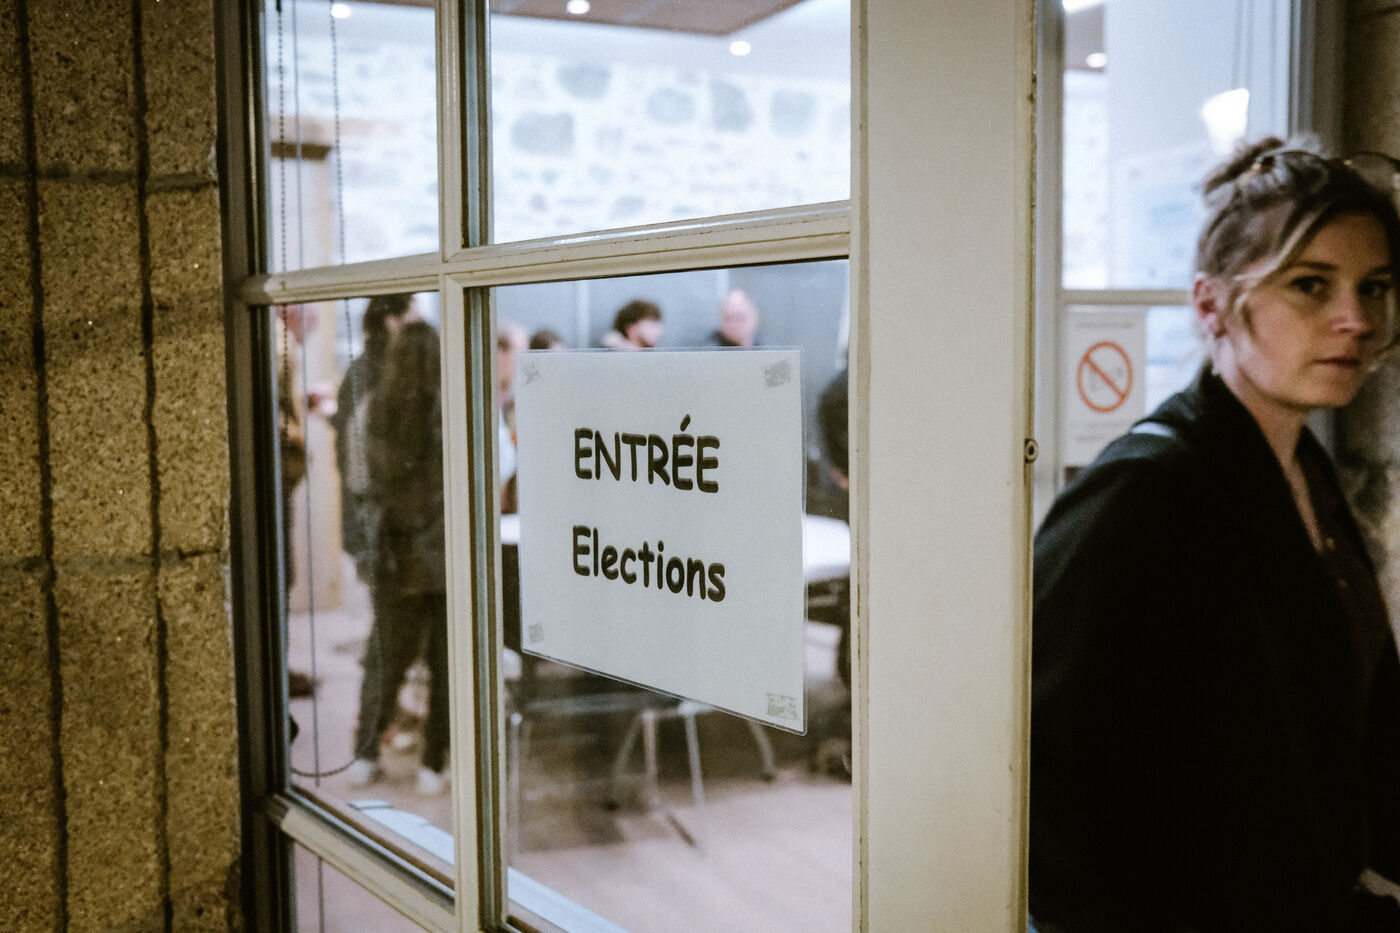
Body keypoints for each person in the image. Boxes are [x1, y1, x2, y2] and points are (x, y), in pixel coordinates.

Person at [1030, 138, 1400, 932]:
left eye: (1374, 287)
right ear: (1212, 306)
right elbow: (1046, 783)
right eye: (1310, 285)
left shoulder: (1304, 468)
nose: (1357, 320)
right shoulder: (1144, 492)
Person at [347, 320, 451, 795]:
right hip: (446, 553)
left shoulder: (371, 409)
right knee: (446, 663)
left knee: (385, 660)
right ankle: (432, 765)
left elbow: (359, 479)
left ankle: (366, 755)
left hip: (395, 551)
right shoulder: (455, 406)